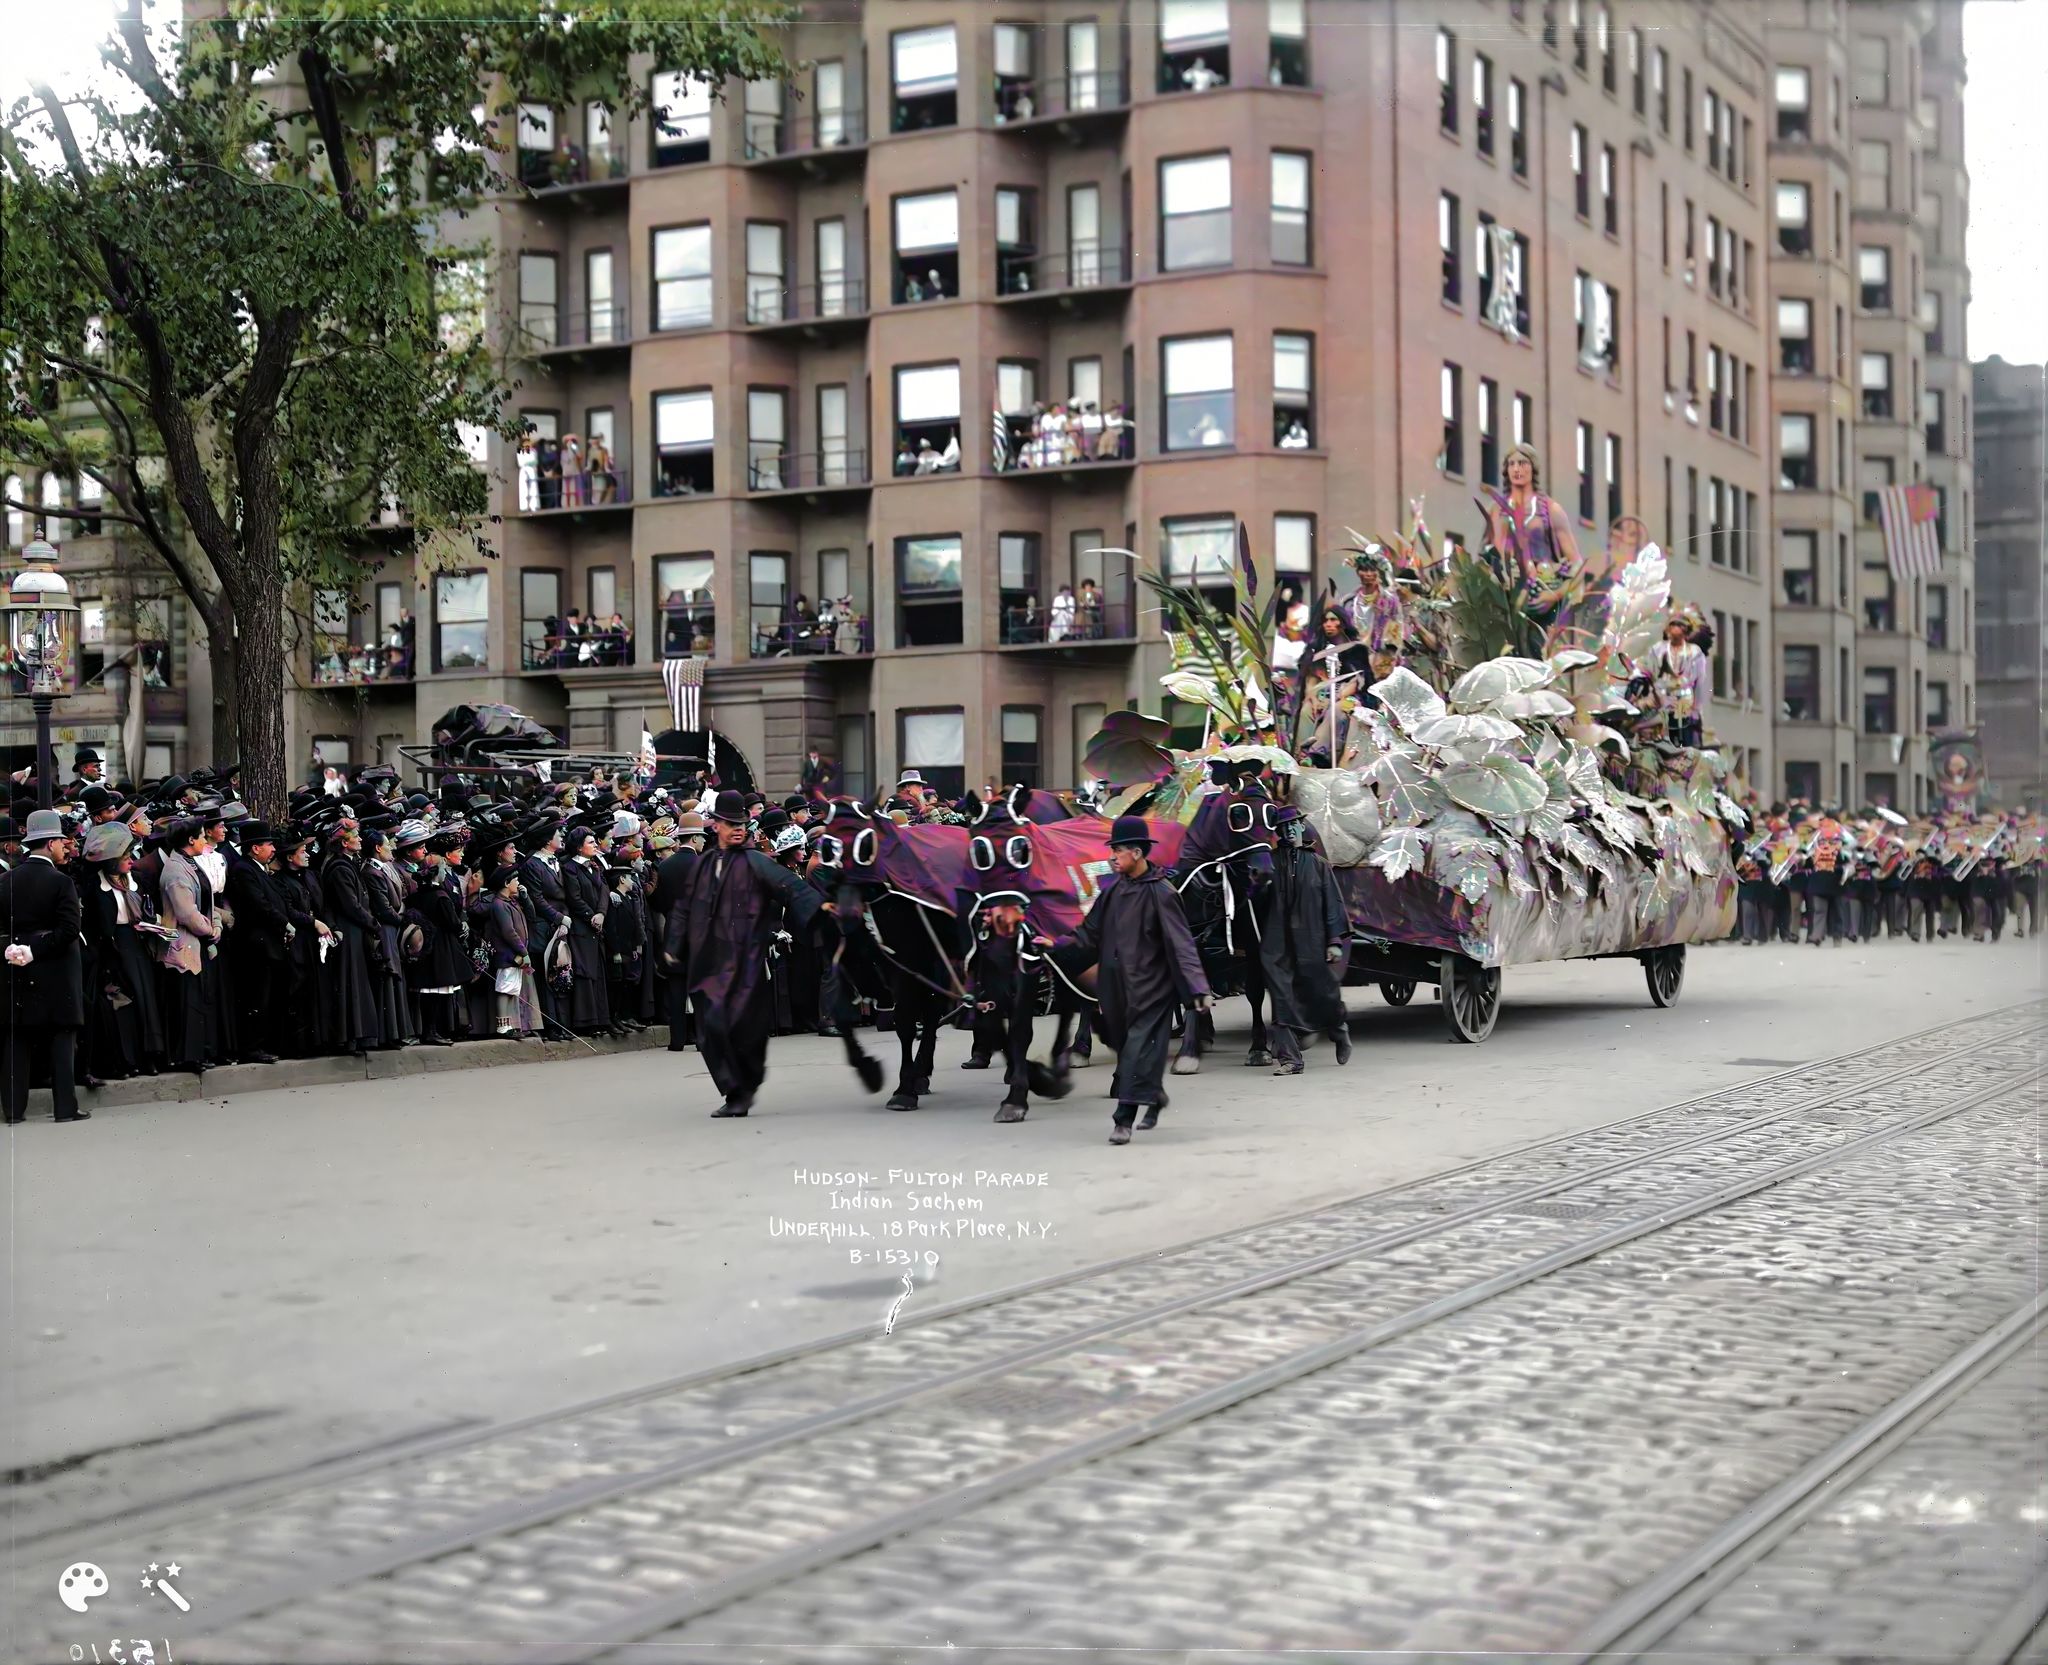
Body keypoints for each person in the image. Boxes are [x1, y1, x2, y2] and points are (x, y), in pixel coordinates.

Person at [662, 789, 827, 1116]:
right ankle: (732, 1091)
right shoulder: (704, 865)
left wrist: (824, 914)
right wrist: (672, 945)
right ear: (717, 826)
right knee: (709, 1031)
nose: (737, 828)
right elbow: (682, 908)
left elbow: (794, 890)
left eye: (742, 823)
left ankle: (744, 1086)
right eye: (729, 822)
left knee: (744, 1029)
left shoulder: (757, 863)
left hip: (746, 960)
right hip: (707, 960)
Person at [1049, 815, 1210, 1145]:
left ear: (1136, 853)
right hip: (1115, 990)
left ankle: (1122, 1119)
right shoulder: (1112, 891)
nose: (1111, 857)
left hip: (1152, 989)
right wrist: (1053, 944)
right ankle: (1155, 1097)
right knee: (1128, 1051)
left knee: (1136, 1051)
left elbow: (1182, 945)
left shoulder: (1162, 893)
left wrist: (1198, 989)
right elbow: (1089, 933)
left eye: (1117, 851)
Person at [1, 809, 88, 1123]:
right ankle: (65, 1108)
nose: (65, 847)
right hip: (57, 970)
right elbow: (68, 930)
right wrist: (34, 948)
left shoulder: (5, 880)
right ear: (50, 843)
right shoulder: (61, 882)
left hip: (16, 969)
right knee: (62, 1037)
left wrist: (14, 948)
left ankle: (13, 1111)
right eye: (61, 842)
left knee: (17, 1038)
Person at [1259, 806, 1352, 1073]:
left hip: (1311, 939)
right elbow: (1257, 901)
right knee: (1280, 996)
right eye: (1283, 827)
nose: (1289, 830)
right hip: (1277, 941)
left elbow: (1332, 904)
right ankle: (1291, 1060)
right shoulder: (1270, 862)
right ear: (1277, 832)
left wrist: (1334, 940)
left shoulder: (1319, 865)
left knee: (1322, 993)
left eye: (1293, 825)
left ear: (1302, 826)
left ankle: (1338, 1029)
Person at [1482, 441, 1586, 624]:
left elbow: (1577, 564)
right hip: (1504, 605)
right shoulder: (1496, 511)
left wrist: (1554, 595)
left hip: (1542, 600)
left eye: (1523, 463)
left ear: (1533, 468)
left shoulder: (1552, 511)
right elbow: (1485, 558)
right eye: (1512, 464)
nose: (1517, 469)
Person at [223, 819, 290, 1063]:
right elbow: (259, 904)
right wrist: (284, 922)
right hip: (255, 944)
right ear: (254, 848)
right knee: (256, 997)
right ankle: (252, 1047)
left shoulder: (258, 869)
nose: (273, 850)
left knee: (266, 996)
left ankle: (262, 1043)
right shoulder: (244, 869)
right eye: (268, 845)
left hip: (268, 943)